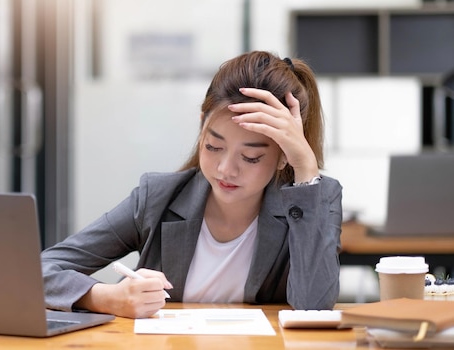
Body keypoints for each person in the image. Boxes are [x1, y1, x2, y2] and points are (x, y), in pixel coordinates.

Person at [41, 50, 343, 318]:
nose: (226, 169)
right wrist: (104, 297)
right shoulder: (158, 198)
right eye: (213, 146)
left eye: (251, 157)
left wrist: (305, 167)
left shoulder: (317, 198)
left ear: (283, 157)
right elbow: (37, 271)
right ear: (202, 128)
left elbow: (313, 306)